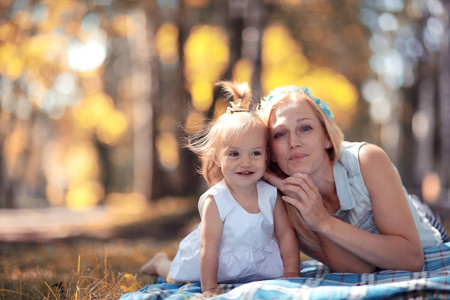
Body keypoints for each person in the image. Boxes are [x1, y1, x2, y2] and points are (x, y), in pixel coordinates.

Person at [258, 85, 450, 274]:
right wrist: (315, 218)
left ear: (326, 137)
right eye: (280, 134)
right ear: (271, 152)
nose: (294, 142)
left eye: (305, 128)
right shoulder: (284, 204)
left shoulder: (368, 159)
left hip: (424, 226)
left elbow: (412, 260)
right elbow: (357, 269)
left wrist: (324, 221)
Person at [140, 81, 300, 297]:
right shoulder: (216, 201)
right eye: (234, 154)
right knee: (177, 273)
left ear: (267, 156)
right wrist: (209, 289)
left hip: (259, 264)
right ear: (218, 157)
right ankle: (160, 262)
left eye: (255, 153)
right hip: (216, 264)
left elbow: (285, 235)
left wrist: (291, 272)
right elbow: (210, 248)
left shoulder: (270, 195)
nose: (246, 162)